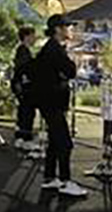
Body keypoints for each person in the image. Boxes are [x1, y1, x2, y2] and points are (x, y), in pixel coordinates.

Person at [30, 14, 87, 198]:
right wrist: (71, 62)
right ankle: (65, 181)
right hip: (52, 102)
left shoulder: (51, 48)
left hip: (49, 102)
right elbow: (71, 70)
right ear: (57, 29)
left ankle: (49, 177)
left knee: (55, 141)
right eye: (68, 26)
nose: (71, 29)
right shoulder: (54, 49)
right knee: (64, 142)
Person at [11, 26, 38, 150]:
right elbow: (24, 69)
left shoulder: (22, 50)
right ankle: (25, 139)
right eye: (33, 36)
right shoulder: (23, 51)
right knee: (27, 113)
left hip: (21, 85)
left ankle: (21, 137)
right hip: (24, 87)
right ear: (27, 37)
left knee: (24, 112)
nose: (35, 38)